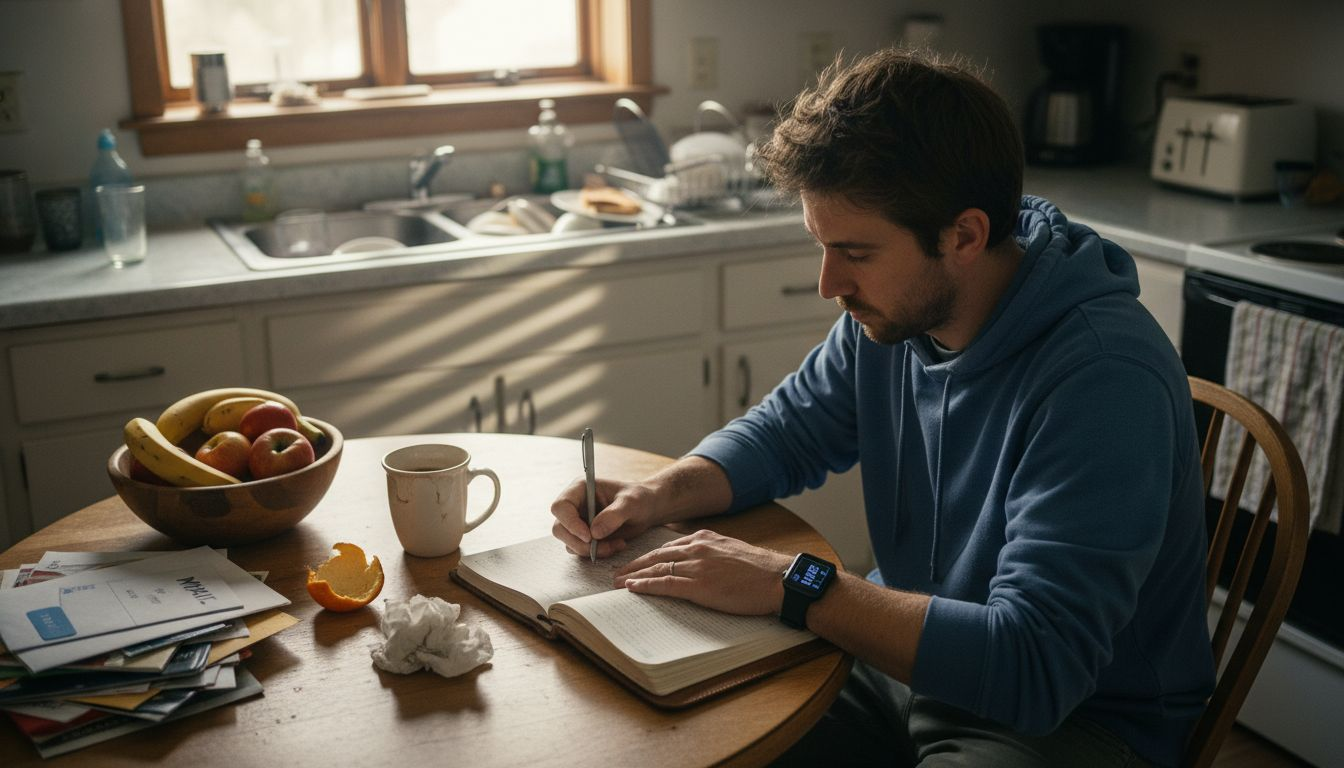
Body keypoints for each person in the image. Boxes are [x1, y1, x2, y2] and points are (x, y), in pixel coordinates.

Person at [550, 47, 1214, 767]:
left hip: (1069, 724)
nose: (828, 284)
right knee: (679, 736)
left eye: (856, 253)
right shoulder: (898, 316)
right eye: (821, 245)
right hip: (894, 663)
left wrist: (789, 582)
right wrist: (657, 493)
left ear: (964, 236)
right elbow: (786, 433)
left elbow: (1035, 668)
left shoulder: (1103, 379)